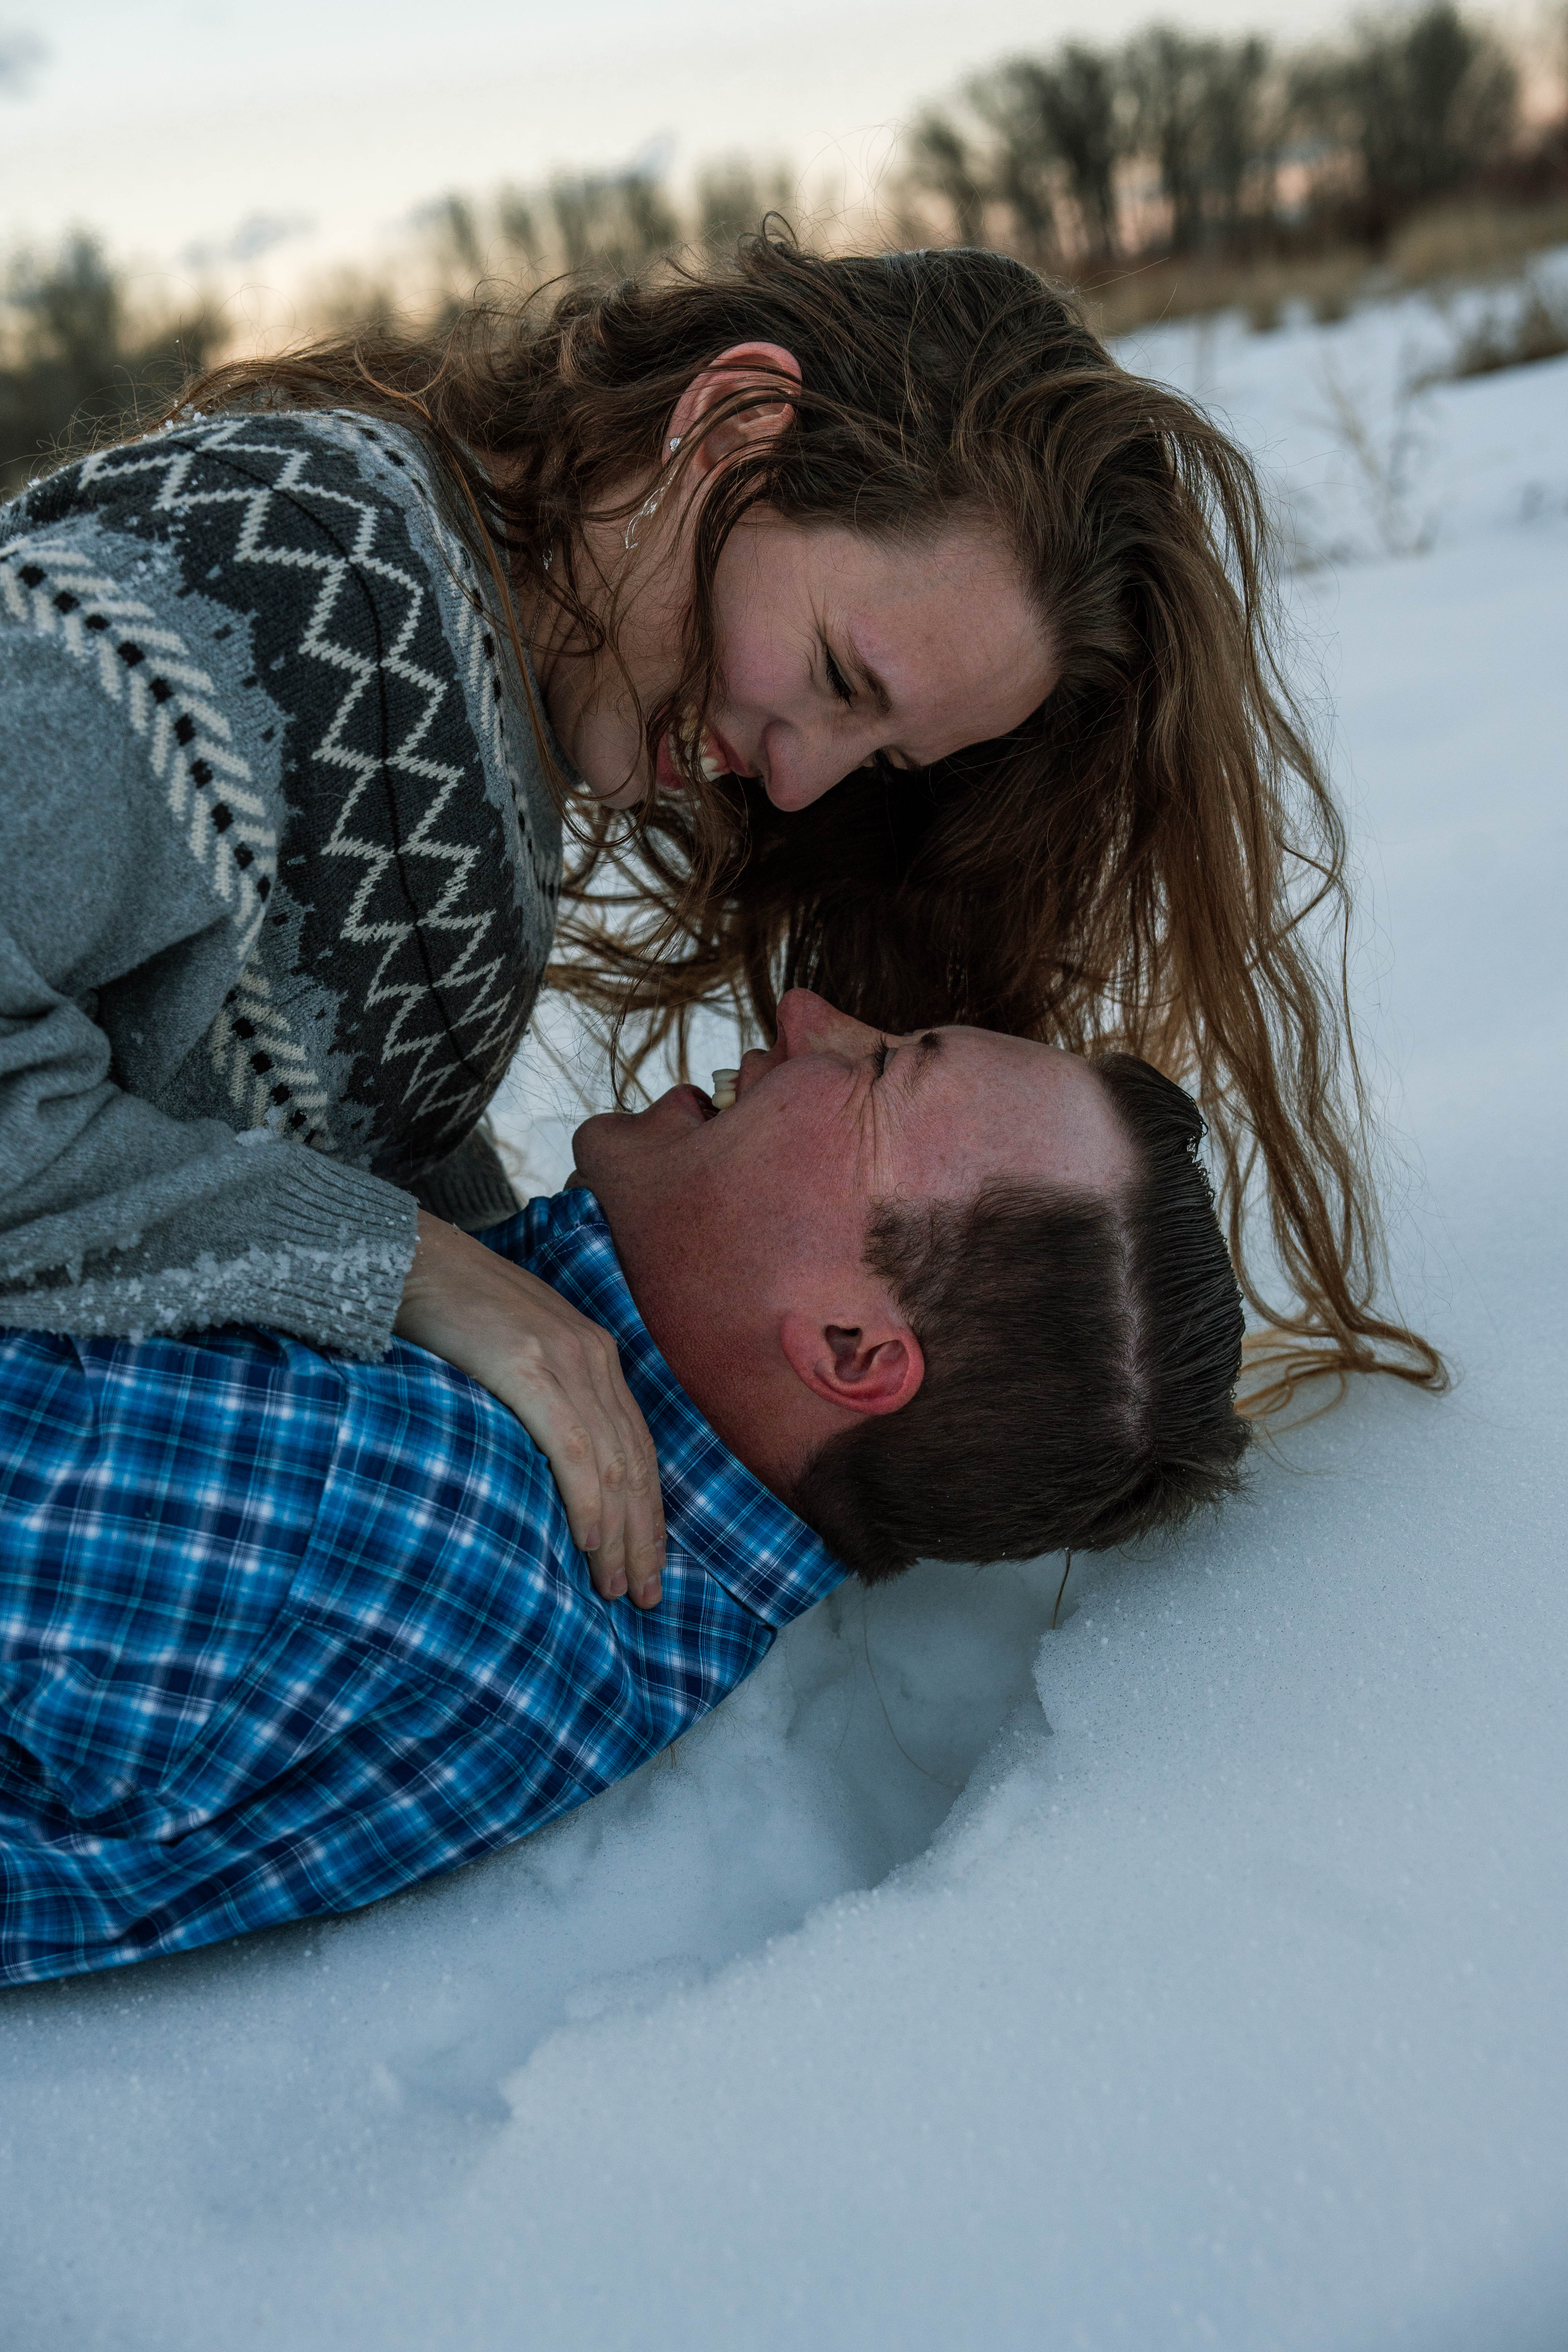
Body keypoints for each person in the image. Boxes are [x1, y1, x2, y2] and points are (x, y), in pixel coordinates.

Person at [0, 235, 1439, 1618]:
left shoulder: (470, 720)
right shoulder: (296, 587)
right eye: (836, 677)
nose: (800, 782)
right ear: (732, 426)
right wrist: (414, 1271)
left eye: (878, 757)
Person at [0, 992, 1245, 1984]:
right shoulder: (559, 1547)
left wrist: (387, 1252)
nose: (806, 1015)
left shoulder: (413, 1501)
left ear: (849, 1350)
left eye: (879, 1069)